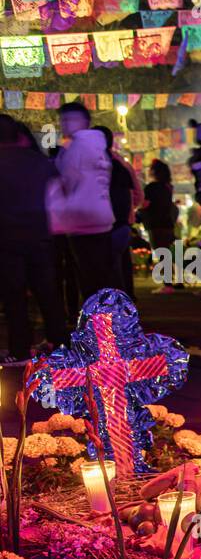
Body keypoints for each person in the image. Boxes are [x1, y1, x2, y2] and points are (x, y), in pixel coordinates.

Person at [0, 115, 67, 364]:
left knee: (14, 296)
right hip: (40, 234)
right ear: (19, 136)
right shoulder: (40, 162)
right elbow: (59, 192)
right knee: (48, 293)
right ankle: (59, 343)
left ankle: (20, 348)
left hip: (6, 238)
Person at [48, 101, 118, 302]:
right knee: (102, 276)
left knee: (89, 278)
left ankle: (97, 327)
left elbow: (68, 180)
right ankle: (107, 325)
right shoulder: (99, 146)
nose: (65, 124)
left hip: (81, 217)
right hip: (101, 215)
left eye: (70, 119)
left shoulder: (76, 147)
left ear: (85, 122)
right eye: (63, 120)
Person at [93, 126, 140, 298]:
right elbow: (138, 194)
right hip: (122, 223)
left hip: (101, 225)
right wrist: (128, 211)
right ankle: (126, 303)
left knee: (106, 269)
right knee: (121, 265)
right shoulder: (123, 165)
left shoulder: (92, 166)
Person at [140, 160, 179, 291]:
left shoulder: (151, 187)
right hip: (167, 224)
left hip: (155, 224)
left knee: (162, 254)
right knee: (166, 253)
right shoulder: (168, 187)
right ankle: (169, 283)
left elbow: (145, 204)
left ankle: (167, 285)